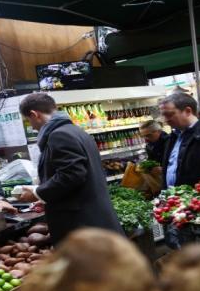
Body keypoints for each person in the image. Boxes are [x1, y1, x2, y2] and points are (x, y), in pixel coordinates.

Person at [16, 93, 123, 243]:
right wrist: (49, 194)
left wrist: (38, 192)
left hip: (82, 226)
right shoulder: (76, 131)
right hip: (93, 222)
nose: (31, 126)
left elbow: (72, 175)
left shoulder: (59, 135)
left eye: (28, 120)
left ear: (35, 114)